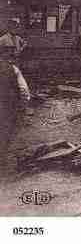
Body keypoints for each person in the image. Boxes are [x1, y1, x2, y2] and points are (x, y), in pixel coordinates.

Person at [0, 45, 30, 179]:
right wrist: (22, 106)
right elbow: (24, 91)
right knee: (6, 133)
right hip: (7, 107)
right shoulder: (12, 69)